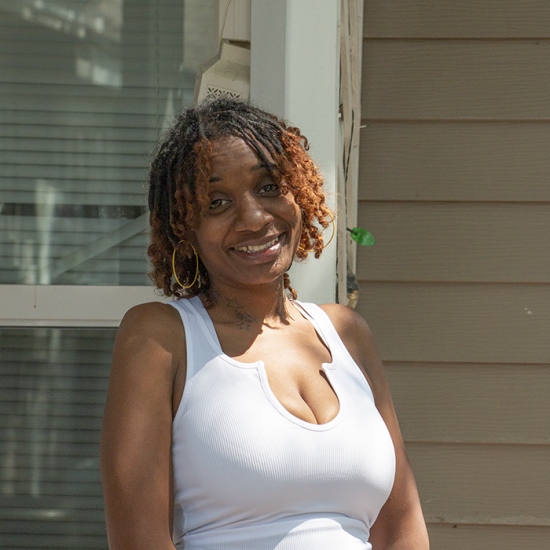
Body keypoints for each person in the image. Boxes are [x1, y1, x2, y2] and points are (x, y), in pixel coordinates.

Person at [100, 98, 429, 550]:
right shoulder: (160, 336)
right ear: (184, 227)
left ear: (300, 192)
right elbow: (139, 539)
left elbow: (401, 528)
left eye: (269, 187)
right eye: (217, 202)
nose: (254, 219)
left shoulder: (346, 332)